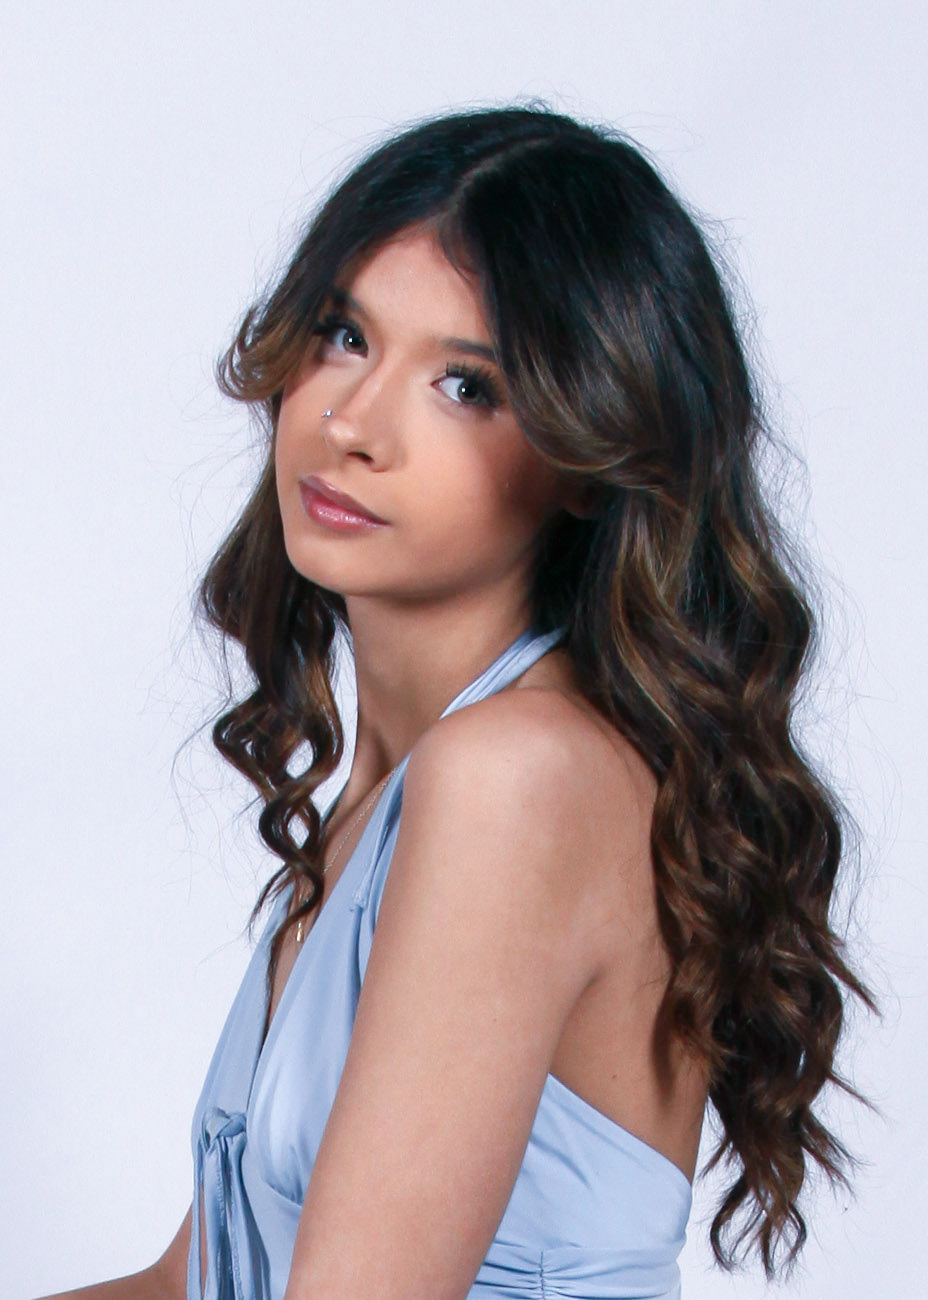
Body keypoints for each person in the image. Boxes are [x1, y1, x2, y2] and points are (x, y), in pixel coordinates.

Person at [40, 101, 875, 1300]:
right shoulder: (401, 787)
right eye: (343, 335)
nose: (352, 423)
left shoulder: (515, 778)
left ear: (588, 457)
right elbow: (195, 1280)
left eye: (466, 386)